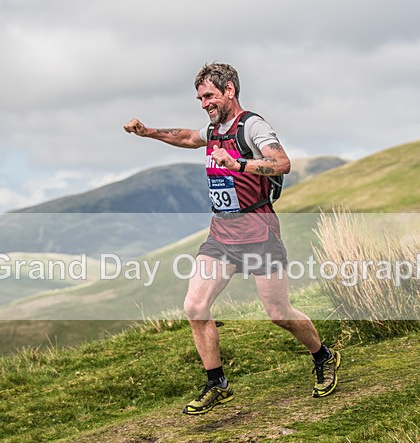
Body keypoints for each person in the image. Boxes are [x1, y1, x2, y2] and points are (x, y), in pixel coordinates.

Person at [124, 62, 340, 415]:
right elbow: (186, 137)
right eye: (200, 98)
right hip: (222, 234)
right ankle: (217, 382)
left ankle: (323, 356)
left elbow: (281, 163)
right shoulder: (213, 129)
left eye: (209, 95)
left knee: (279, 313)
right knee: (195, 307)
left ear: (229, 90)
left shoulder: (252, 126)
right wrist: (147, 132)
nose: (204, 103)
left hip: (259, 232)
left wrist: (238, 164)